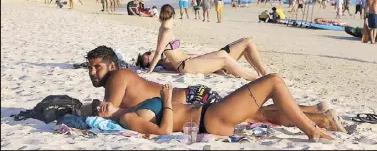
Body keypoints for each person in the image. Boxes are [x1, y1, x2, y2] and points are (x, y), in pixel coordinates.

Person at [86, 46, 344, 132]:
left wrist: (94, 110)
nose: (92, 72)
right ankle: (315, 112)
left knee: (256, 115)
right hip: (190, 99)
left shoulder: (118, 77)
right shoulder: (118, 78)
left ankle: (318, 117)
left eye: (97, 67)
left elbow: (113, 110)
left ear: (111, 66)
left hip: (192, 98)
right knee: (252, 114)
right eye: (90, 68)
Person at [146, 4, 267, 81]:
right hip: (185, 66)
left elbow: (162, 52)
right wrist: (149, 71)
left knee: (229, 51)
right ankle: (256, 79)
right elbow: (158, 52)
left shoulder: (164, 29)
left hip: (189, 61)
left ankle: (264, 74)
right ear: (173, 15)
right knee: (225, 60)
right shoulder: (166, 32)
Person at [137, 37, 268, 77]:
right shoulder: (166, 60)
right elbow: (183, 66)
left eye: (148, 56)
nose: (150, 58)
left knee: (248, 42)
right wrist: (151, 69)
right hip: (210, 63)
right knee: (225, 58)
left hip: (212, 57)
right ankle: (259, 77)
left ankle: (262, 73)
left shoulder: (167, 55)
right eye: (148, 62)